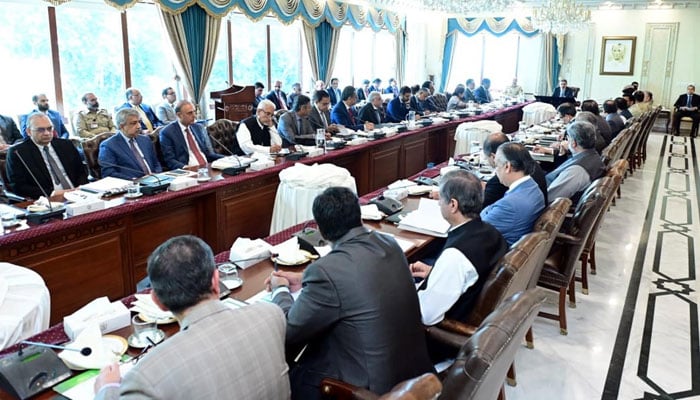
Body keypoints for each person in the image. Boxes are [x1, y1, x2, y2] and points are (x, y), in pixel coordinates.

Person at [267, 187, 434, 399]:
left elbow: (289, 331)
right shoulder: (390, 244)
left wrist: (279, 289)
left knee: (290, 373)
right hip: (411, 373)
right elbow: (357, 277)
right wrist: (304, 278)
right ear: (358, 214)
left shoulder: (326, 271)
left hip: (371, 389)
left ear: (321, 229)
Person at [94, 235, 290, 400]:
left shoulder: (145, 377)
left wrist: (106, 389)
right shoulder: (271, 315)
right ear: (216, 280)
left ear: (157, 301)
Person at [411, 170, 507, 326]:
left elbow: (426, 315)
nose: (438, 203)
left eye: (441, 199)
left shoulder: (455, 257)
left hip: (440, 336)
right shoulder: (491, 232)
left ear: (453, 205)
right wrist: (435, 273)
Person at [6, 113, 87, 199]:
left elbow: (81, 172)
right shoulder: (18, 153)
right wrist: (52, 193)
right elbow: (19, 186)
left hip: (78, 194)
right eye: (41, 130)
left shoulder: (66, 145)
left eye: (49, 128)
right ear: (29, 132)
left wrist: (80, 189)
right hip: (46, 199)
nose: (47, 133)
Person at [480, 142, 545, 246]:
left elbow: (476, 229)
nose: (496, 171)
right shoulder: (532, 186)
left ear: (507, 166)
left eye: (497, 166)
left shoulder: (510, 205)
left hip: (499, 255)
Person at [482, 132, 548, 208]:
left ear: (494, 157)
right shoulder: (533, 164)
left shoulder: (499, 181)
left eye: (487, 158)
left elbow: (477, 209)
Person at [545, 120, 606, 202]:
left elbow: (550, 197)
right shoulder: (592, 155)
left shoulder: (576, 170)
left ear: (573, 143)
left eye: (567, 138)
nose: (566, 141)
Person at [98, 108, 162, 180]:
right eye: (133, 123)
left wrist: (157, 175)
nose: (139, 126)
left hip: (156, 181)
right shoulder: (108, 146)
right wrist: (135, 180)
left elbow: (156, 163)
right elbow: (108, 174)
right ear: (121, 126)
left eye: (139, 122)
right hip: (132, 185)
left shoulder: (145, 140)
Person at [159, 100, 222, 169]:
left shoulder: (199, 128)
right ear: (179, 115)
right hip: (188, 171)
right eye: (190, 113)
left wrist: (228, 159)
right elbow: (170, 160)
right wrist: (186, 168)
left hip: (207, 167)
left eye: (194, 112)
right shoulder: (167, 133)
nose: (194, 116)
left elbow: (209, 154)